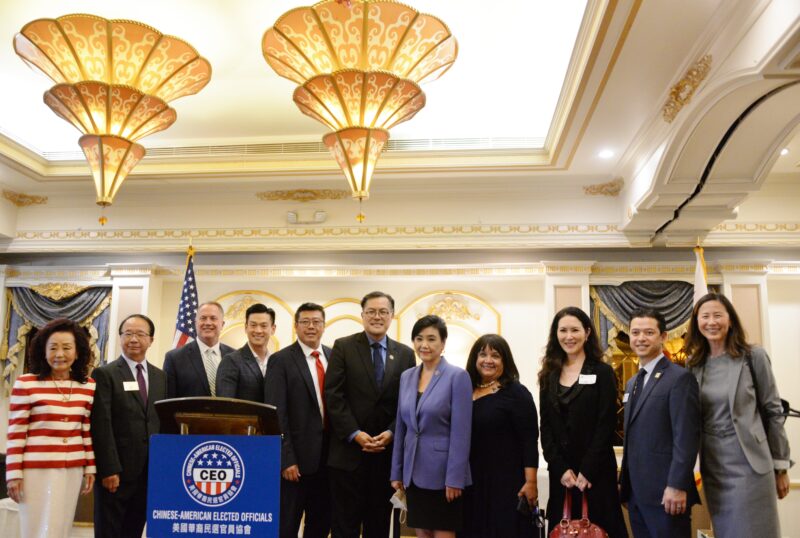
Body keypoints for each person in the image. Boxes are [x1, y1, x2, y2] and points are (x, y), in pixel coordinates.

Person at [686, 292, 792, 538]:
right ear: (697, 322)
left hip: (751, 465)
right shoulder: (694, 364)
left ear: (730, 319)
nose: (711, 322)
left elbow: (773, 411)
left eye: (718, 315)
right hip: (715, 467)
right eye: (705, 317)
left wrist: (781, 467)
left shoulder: (753, 356)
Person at [325, 291, 416, 538]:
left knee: (379, 526)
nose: (377, 317)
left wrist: (392, 432)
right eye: (371, 312)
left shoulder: (405, 354)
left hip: (386, 458)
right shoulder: (343, 347)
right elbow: (333, 396)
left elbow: (408, 403)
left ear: (392, 316)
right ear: (362, 315)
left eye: (383, 312)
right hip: (348, 456)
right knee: (344, 526)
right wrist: (355, 433)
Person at [538, 306, 627, 538]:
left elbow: (606, 423)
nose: (569, 336)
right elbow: (545, 427)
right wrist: (560, 468)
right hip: (562, 476)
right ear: (555, 334)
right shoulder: (549, 374)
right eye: (563, 330)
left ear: (587, 332)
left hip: (596, 474)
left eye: (575, 330)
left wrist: (587, 469)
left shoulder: (602, 372)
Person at [6, 318, 96, 538]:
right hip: (35, 470)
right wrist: (13, 474)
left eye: (66, 347)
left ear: (77, 352)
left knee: (61, 526)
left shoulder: (88, 386)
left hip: (72, 468)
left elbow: (85, 429)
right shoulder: (26, 383)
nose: (60, 354)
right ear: (43, 352)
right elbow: (16, 433)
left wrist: (90, 467)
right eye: (53, 348)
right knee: (36, 527)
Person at [619, 308, 700, 538]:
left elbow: (686, 438)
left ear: (663, 336)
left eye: (649, 332)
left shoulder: (679, 378)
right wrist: (624, 484)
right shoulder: (632, 382)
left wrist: (677, 485)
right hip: (636, 496)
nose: (641, 338)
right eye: (635, 332)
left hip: (667, 495)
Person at [390, 315, 472, 538]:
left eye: (431, 339)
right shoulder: (407, 377)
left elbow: (461, 433)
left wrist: (455, 478)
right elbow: (402, 428)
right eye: (419, 338)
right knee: (422, 534)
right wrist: (397, 472)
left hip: (443, 477)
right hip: (413, 475)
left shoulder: (458, 376)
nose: (424, 344)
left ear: (443, 343)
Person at [91, 314, 167, 538]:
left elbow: (160, 421)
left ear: (151, 340)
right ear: (120, 337)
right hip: (116, 473)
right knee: (109, 531)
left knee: (133, 530)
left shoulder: (160, 376)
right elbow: (101, 425)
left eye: (140, 334)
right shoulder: (105, 374)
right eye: (128, 334)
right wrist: (108, 469)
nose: (134, 339)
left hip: (148, 473)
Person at [461, 334, 539, 538]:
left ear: (505, 361)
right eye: (483, 354)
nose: (488, 360)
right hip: (470, 482)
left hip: (506, 484)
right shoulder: (463, 391)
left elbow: (529, 440)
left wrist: (531, 482)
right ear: (474, 358)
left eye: (495, 355)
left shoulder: (516, 393)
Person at [265, 303, 332, 538]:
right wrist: (286, 459)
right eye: (305, 322)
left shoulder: (334, 356)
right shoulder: (281, 360)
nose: (311, 326)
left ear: (324, 325)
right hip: (296, 463)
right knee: (287, 526)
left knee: (320, 525)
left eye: (316, 322)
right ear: (296, 326)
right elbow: (277, 413)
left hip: (330, 461)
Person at [164, 301, 234, 398]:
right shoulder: (174, 358)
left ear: (222, 324)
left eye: (213, 318)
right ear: (195, 323)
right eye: (203, 318)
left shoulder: (235, 357)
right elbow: (169, 399)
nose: (208, 323)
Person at [217, 303, 276, 402]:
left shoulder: (277, 361)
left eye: (263, 326)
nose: (258, 330)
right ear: (246, 327)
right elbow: (225, 405)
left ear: (273, 329)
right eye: (253, 325)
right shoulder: (231, 361)